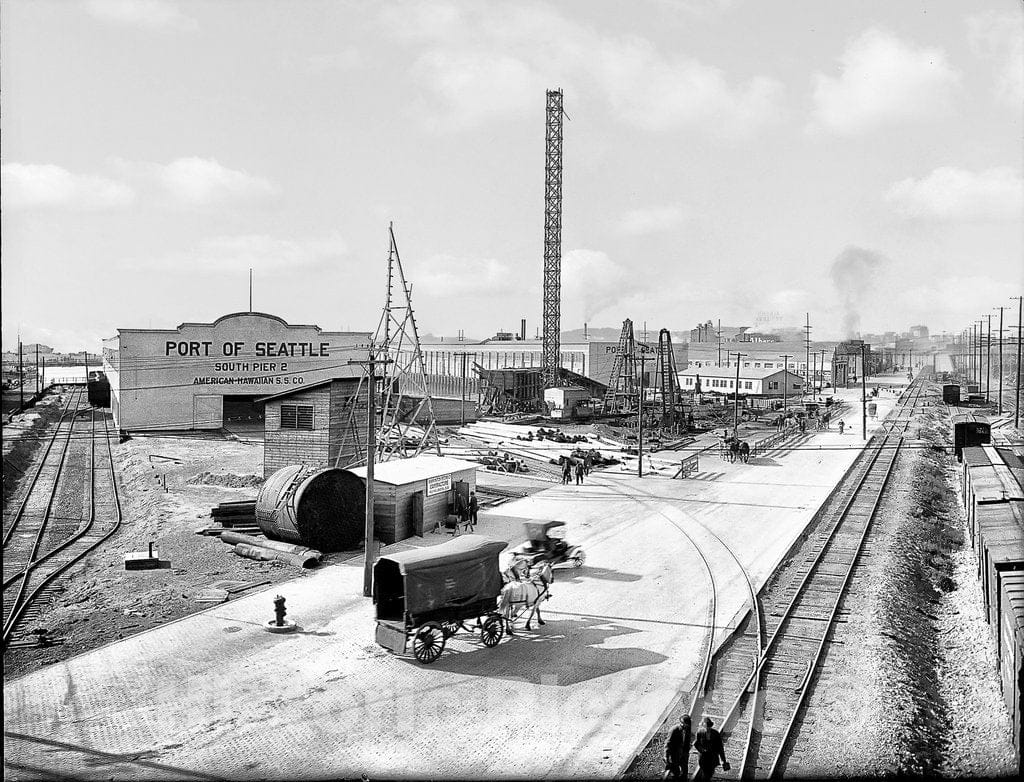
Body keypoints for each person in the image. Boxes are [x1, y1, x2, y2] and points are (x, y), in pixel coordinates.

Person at [693, 717, 728, 781]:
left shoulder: (715, 733)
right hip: (703, 757)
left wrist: (723, 760)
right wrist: (702, 750)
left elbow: (720, 747)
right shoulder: (699, 732)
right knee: (705, 773)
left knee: (710, 773)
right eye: (706, 727)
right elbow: (696, 744)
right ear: (703, 727)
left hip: (713, 757)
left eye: (709, 727)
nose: (707, 728)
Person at [663, 714, 692, 779]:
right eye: (683, 723)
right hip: (674, 755)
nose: (685, 725)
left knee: (684, 773)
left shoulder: (688, 728)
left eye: (687, 724)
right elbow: (667, 744)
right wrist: (666, 756)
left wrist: (687, 751)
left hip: (684, 755)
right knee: (675, 774)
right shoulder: (674, 730)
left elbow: (687, 740)